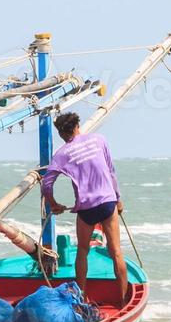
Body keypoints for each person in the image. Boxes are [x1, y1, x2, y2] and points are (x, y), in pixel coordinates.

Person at [40, 112, 129, 307]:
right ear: (78, 125)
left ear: (61, 133)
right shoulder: (99, 139)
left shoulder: (62, 154)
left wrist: (53, 204)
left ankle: (81, 299)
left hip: (87, 208)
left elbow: (46, 184)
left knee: (82, 251)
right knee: (116, 253)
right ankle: (123, 301)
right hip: (108, 203)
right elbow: (111, 171)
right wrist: (119, 199)